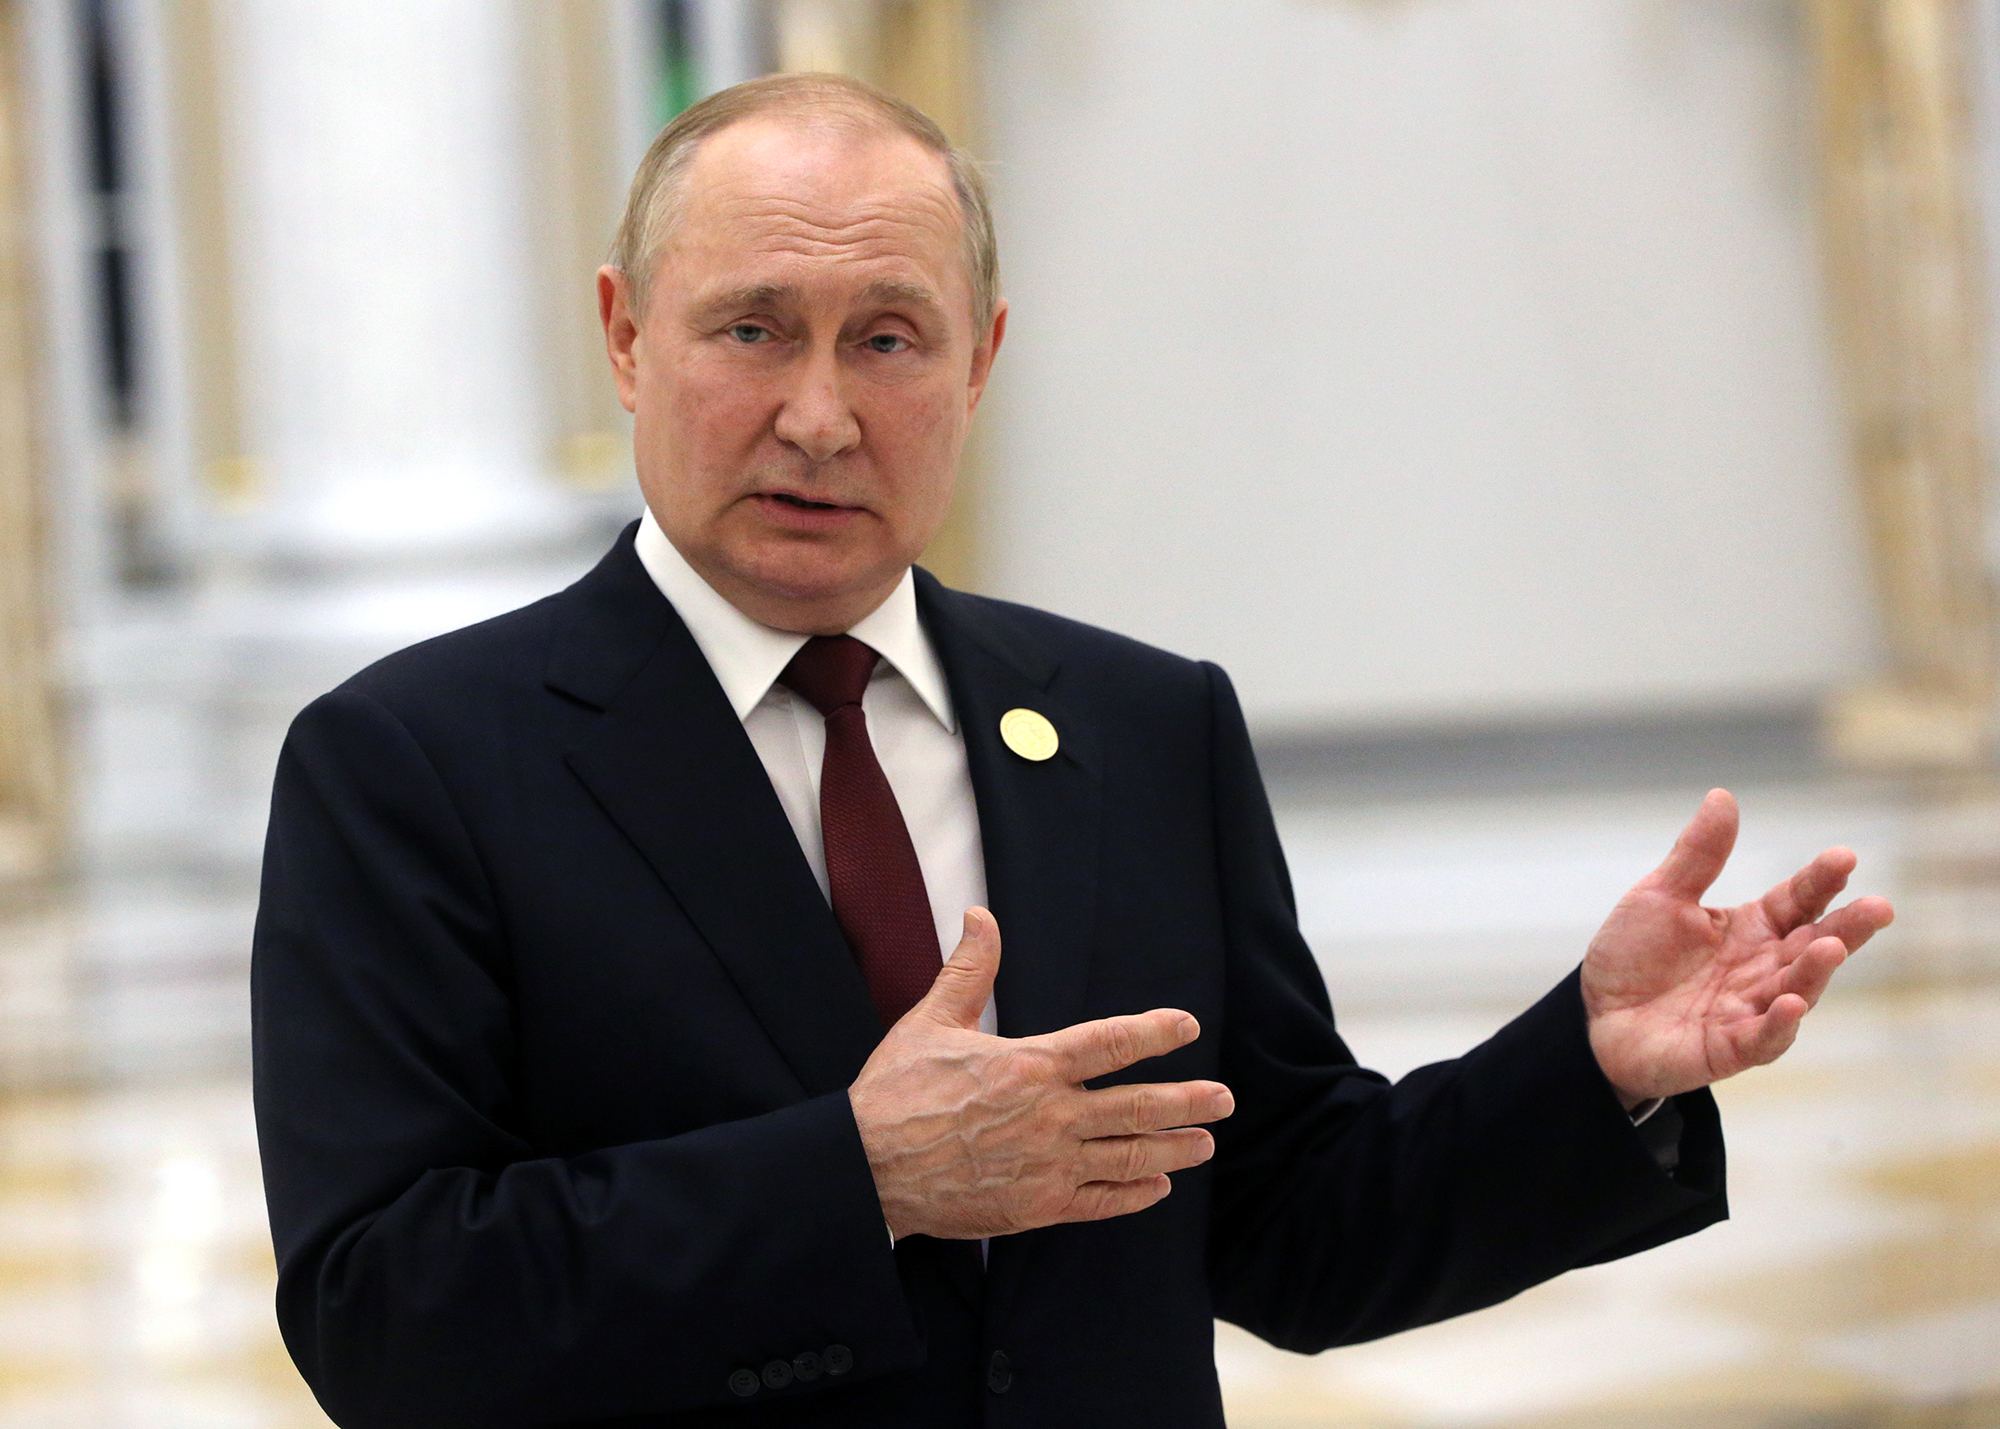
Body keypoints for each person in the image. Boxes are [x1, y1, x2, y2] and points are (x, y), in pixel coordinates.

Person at [251, 73, 1894, 1428]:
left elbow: (1295, 1225)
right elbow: (386, 1313)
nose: (820, 414)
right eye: (752, 329)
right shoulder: (415, 764)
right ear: (625, 336)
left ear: (980, 360)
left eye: (888, 338)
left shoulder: (1138, 723)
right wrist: (861, 1178)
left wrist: (1591, 1066)